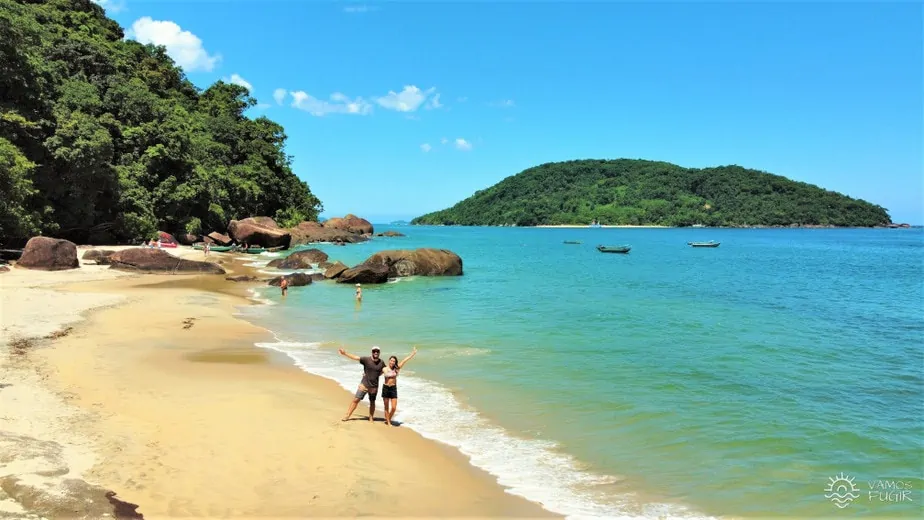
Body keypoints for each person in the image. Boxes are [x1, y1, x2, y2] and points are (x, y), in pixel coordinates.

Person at [338, 346, 385, 422]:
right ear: (372, 352)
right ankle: (347, 415)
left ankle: (371, 418)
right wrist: (345, 353)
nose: (376, 352)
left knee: (372, 402)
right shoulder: (366, 359)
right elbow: (356, 358)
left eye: (377, 351)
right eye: (374, 351)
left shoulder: (381, 362)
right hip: (364, 385)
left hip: (374, 387)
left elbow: (384, 370)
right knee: (356, 399)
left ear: (379, 353)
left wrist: (378, 374)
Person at [382, 346, 418, 426]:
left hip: (393, 388)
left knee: (394, 407)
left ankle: (388, 419)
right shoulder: (384, 368)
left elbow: (405, 360)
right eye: (391, 360)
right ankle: (388, 422)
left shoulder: (397, 368)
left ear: (395, 362)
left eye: (394, 361)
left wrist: (413, 354)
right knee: (386, 407)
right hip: (386, 388)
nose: (392, 362)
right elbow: (379, 373)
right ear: (389, 361)